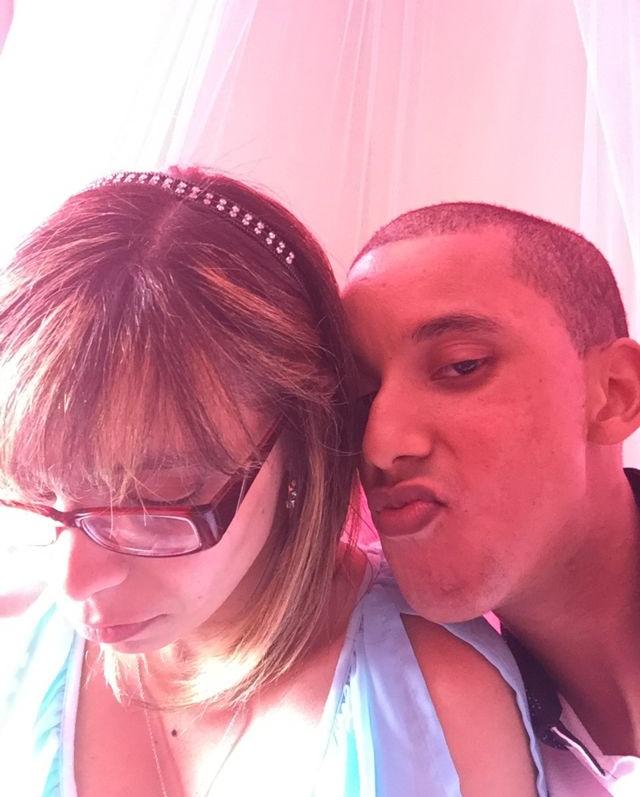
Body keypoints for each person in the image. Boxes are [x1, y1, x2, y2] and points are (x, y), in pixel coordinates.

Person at [0, 173, 544, 797]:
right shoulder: (15, 640)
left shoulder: (437, 704)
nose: (73, 580)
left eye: (155, 501)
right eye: (36, 494)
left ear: (299, 446)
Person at [343, 201, 640, 796]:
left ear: (614, 393)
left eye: (461, 366)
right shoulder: (447, 735)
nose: (380, 444)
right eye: (359, 396)